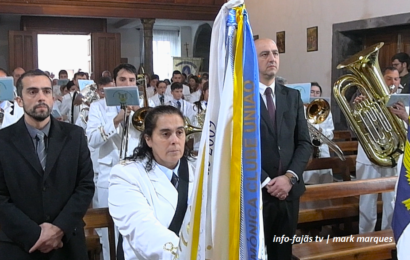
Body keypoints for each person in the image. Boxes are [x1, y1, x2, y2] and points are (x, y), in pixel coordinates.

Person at [0, 69, 94, 259]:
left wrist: (59, 229)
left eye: (46, 91)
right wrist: (35, 234)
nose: (41, 97)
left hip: (66, 243)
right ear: (19, 100)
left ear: (53, 98)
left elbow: (85, 186)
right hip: (19, 244)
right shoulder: (3, 141)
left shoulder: (74, 136)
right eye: (32, 92)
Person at [109, 105, 195, 260]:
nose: (175, 140)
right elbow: (143, 231)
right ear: (148, 139)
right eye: (165, 134)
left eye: (179, 132)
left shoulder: (198, 170)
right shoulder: (125, 174)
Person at [86, 64, 153, 260]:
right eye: (123, 80)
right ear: (114, 82)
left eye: (132, 80)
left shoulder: (142, 107)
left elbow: (152, 140)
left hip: (138, 175)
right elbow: (92, 139)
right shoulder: (98, 106)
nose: (127, 84)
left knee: (137, 229)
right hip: (109, 175)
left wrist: (140, 114)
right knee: (110, 234)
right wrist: (115, 120)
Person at [255, 38, 311, 260]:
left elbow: (304, 143)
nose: (272, 58)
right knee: (257, 252)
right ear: (251, 60)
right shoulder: (240, 98)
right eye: (265, 54)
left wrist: (289, 178)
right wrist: (267, 182)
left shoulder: (292, 96)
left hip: (288, 192)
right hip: (257, 192)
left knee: (282, 252)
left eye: (275, 53)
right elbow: (234, 148)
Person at [353, 66, 407, 234]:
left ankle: (388, 240)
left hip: (394, 159)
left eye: (396, 79)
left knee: (392, 202)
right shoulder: (365, 99)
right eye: (389, 79)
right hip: (369, 158)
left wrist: (404, 117)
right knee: (366, 203)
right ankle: (365, 240)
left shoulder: (406, 103)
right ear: (381, 80)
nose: (393, 83)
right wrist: (358, 111)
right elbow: (355, 130)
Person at [303, 82, 335, 184]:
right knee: (309, 182)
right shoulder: (301, 110)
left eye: (317, 93)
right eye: (312, 92)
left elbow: (331, 132)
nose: (315, 95)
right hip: (307, 151)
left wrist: (321, 132)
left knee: (326, 181)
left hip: (323, 149)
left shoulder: (325, 110)